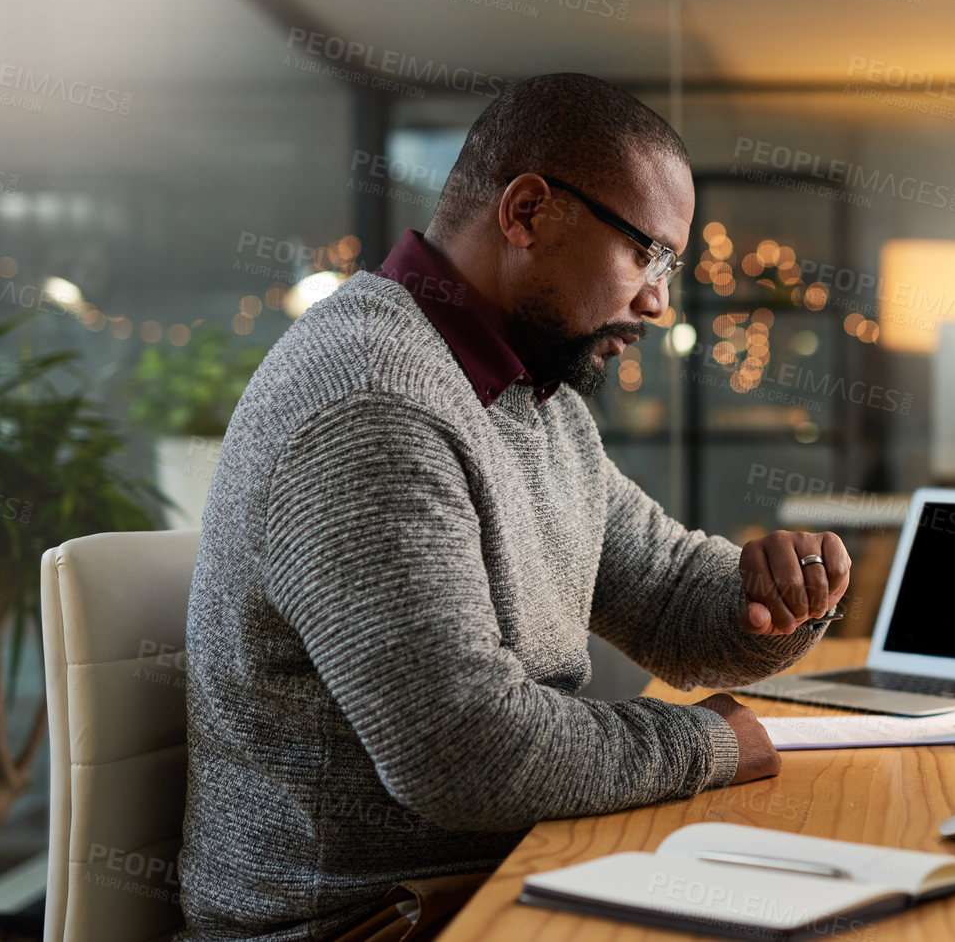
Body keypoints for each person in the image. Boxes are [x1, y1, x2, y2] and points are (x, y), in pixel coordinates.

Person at [177, 73, 850, 941]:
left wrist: (783, 595)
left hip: (498, 880)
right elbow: (464, 753)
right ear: (527, 212)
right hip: (366, 922)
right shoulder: (371, 403)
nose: (658, 299)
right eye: (647, 253)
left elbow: (670, 594)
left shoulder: (533, 399)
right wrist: (708, 746)